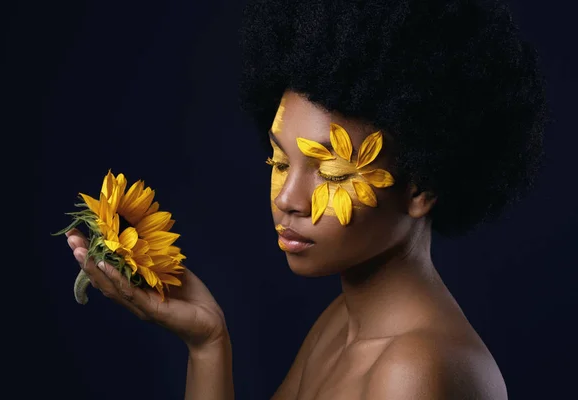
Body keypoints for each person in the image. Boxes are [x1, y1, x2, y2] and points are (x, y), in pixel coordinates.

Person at [65, 0, 547, 398]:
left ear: (420, 188)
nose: (289, 200)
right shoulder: (343, 323)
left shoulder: (415, 370)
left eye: (332, 172)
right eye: (279, 164)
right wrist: (208, 342)